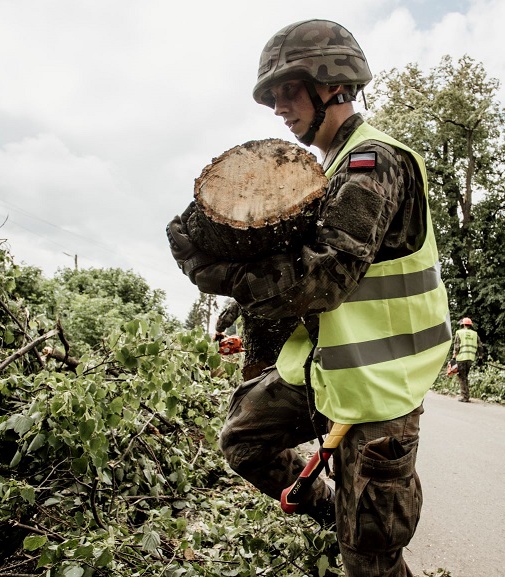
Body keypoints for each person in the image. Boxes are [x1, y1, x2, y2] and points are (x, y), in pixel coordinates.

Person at [167, 19, 450, 577]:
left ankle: (356, 529)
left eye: (287, 90)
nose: (277, 106)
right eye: (271, 95)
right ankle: (330, 508)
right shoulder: (327, 171)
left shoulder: (376, 162)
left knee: (370, 562)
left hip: (377, 394)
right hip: (324, 375)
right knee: (243, 441)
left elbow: (323, 278)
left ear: (332, 84)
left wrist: (216, 272)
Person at [214, 298, 298, 381]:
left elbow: (224, 320)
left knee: (252, 389)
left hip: (256, 360)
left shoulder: (246, 296)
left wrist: (218, 332)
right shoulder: (285, 294)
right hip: (285, 359)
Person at [451, 317, 481, 402]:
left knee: (461, 377)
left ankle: (465, 396)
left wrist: (454, 356)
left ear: (463, 324)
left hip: (461, 358)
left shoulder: (459, 332)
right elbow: (480, 346)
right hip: (470, 358)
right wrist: (480, 357)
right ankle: (466, 395)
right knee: (465, 376)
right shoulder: (475, 334)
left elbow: (457, 346)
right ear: (470, 325)